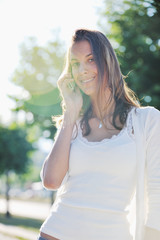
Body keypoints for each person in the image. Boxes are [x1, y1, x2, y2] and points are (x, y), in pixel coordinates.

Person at [38, 29, 160, 240]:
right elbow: (51, 181)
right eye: (75, 63)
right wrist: (70, 113)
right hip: (56, 234)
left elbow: (157, 191)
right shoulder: (73, 124)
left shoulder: (146, 121)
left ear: (108, 62)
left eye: (91, 59)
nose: (82, 70)